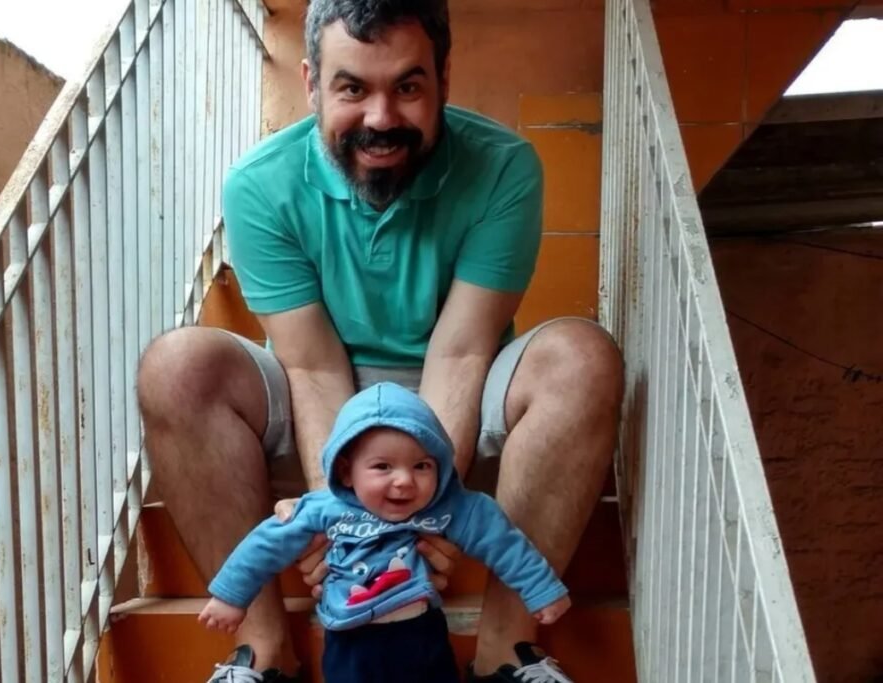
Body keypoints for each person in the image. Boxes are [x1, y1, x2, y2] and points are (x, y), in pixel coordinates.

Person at [136, 0, 625, 680]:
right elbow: (311, 366)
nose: (381, 117)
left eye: (407, 86)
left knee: (583, 357)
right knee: (175, 366)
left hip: (455, 393)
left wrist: (424, 511)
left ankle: (506, 655)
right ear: (311, 83)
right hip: (318, 397)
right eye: (352, 88)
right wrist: (343, 519)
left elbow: (461, 351)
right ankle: (261, 655)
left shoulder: (504, 168)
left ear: (443, 79)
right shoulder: (259, 185)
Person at [198, 382, 571, 683]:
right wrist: (232, 596)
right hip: (350, 635)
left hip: (420, 630)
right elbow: (265, 545)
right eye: (382, 466)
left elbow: (502, 542)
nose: (404, 481)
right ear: (346, 471)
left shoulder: (452, 508)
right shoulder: (322, 509)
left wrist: (540, 589)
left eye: (422, 466)